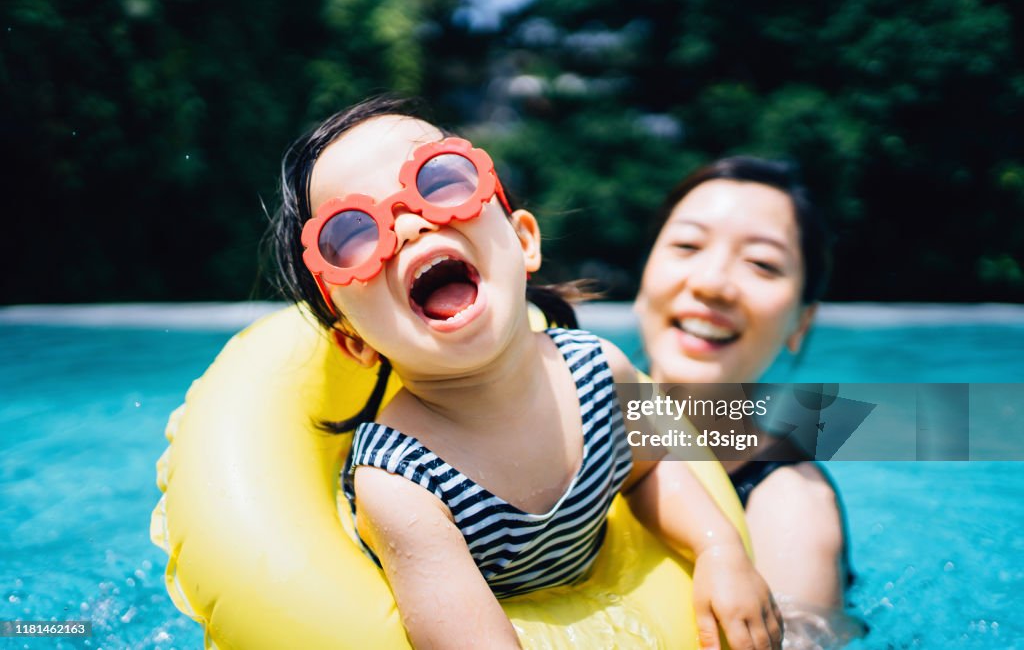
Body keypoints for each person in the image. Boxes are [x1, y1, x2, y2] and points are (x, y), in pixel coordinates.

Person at [270, 97, 782, 650]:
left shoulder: (600, 371)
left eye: (438, 181)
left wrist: (718, 551)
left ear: (523, 240)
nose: (413, 224)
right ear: (354, 342)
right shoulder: (399, 480)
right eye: (353, 233)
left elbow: (653, 472)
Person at [634, 157, 858, 643]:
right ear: (646, 273)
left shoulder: (790, 506)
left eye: (762, 263)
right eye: (687, 245)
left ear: (801, 322)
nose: (712, 284)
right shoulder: (551, 410)